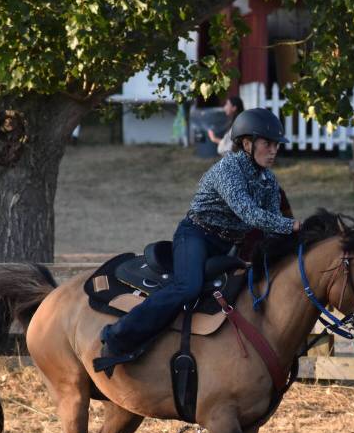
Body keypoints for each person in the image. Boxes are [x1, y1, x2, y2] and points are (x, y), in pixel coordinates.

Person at [100, 108, 300, 358]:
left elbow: (273, 223)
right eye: (267, 144)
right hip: (195, 235)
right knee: (188, 287)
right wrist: (291, 226)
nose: (274, 150)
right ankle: (117, 335)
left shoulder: (269, 180)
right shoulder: (227, 170)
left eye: (276, 145)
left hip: (228, 245)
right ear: (247, 143)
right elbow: (249, 214)